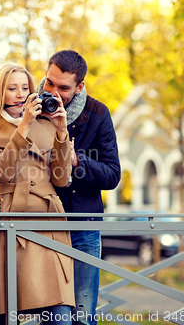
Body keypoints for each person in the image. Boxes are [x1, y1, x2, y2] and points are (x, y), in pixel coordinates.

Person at [0, 63, 74, 325]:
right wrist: (23, 126)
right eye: (12, 88)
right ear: (0, 93)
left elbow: (62, 179)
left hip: (48, 225)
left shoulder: (48, 125)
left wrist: (62, 132)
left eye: (25, 87)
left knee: (60, 318)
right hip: (10, 227)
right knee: (9, 314)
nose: (20, 94)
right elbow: (1, 173)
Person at [36, 50, 121, 325]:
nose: (53, 93)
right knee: (51, 317)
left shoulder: (98, 114)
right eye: (49, 83)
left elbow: (112, 175)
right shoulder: (29, 109)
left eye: (63, 87)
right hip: (43, 224)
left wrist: (76, 161)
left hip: (83, 225)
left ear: (80, 86)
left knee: (83, 317)